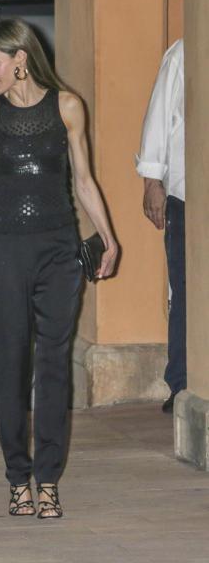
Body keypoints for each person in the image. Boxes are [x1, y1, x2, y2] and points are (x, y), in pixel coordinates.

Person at [0, 18, 118, 519]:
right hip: (5, 250)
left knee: (53, 365)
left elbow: (84, 181)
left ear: (21, 58)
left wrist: (109, 237)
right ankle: (16, 479)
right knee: (9, 366)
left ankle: (47, 480)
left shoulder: (67, 106)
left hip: (58, 250)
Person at [136, 39, 185, 414]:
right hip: (188, 193)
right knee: (186, 288)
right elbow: (160, 114)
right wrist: (152, 181)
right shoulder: (184, 51)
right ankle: (182, 382)